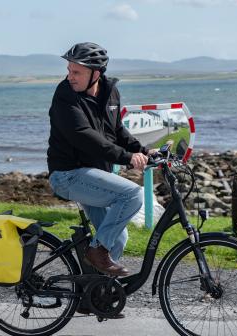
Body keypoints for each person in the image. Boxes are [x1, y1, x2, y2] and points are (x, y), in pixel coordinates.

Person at [47, 42, 154, 277]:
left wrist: (143, 151)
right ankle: (96, 252)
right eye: (69, 70)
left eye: (76, 72)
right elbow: (84, 137)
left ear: (96, 73)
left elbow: (116, 131)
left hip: (93, 175)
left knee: (118, 236)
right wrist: (127, 157)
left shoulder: (110, 92)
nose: (70, 77)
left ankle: (94, 295)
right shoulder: (65, 97)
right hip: (68, 175)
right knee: (132, 194)